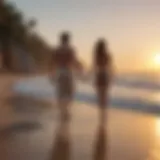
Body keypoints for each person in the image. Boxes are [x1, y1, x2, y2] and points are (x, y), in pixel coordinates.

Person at [50, 32, 80, 122]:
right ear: (68, 40)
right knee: (69, 92)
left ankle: (62, 111)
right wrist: (80, 69)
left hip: (60, 71)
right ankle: (66, 110)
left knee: (60, 92)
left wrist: (51, 74)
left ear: (61, 40)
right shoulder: (71, 49)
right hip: (68, 72)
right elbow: (74, 61)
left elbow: (52, 62)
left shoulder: (57, 50)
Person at [93, 39, 113, 125]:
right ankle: (104, 116)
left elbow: (94, 67)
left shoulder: (96, 55)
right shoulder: (108, 55)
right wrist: (111, 77)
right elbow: (110, 67)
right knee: (105, 97)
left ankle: (101, 116)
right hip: (105, 75)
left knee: (100, 97)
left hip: (99, 75)